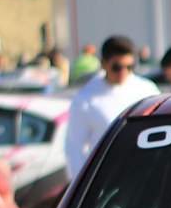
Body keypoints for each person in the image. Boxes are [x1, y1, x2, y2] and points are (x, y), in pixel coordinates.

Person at [64, 35, 158, 179]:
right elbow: (74, 148)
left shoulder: (148, 90)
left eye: (130, 67)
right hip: (107, 180)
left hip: (148, 175)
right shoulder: (86, 97)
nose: (124, 72)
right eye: (117, 67)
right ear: (103, 63)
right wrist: (81, 188)